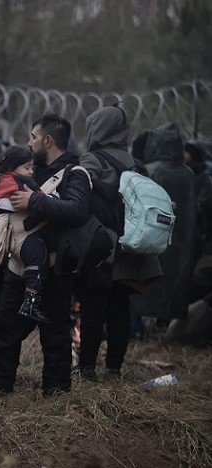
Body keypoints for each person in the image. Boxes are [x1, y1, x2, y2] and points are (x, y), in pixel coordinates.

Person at [0, 113, 91, 396]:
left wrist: (34, 200)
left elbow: (76, 211)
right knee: (5, 329)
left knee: (55, 336)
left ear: (47, 140)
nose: (29, 143)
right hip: (17, 267)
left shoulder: (75, 174)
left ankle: (55, 394)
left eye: (33, 137)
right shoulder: (28, 171)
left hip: (54, 271)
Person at [75, 105, 162, 381]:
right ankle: (114, 369)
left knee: (92, 309)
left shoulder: (93, 159)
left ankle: (87, 368)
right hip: (130, 250)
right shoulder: (137, 163)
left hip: (101, 247)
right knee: (120, 311)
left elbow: (83, 195)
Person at [129, 123, 196, 326]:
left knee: (143, 290)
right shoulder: (188, 174)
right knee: (171, 288)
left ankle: (139, 332)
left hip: (151, 242)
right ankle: (162, 328)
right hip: (180, 243)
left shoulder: (149, 171)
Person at [0, 145, 50, 323]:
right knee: (38, 260)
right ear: (13, 167)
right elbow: (41, 202)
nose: (30, 171)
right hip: (26, 237)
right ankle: (31, 301)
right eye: (26, 167)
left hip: (6, 239)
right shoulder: (24, 183)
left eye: (32, 167)